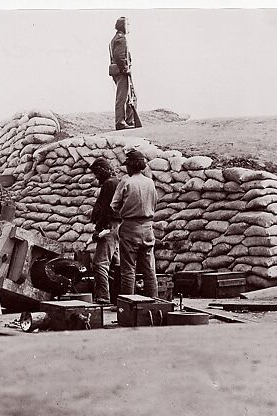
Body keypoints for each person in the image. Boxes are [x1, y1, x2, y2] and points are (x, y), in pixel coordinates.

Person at [110, 149, 158, 297]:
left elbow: (114, 205)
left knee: (128, 270)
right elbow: (155, 202)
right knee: (149, 269)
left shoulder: (126, 181)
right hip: (148, 227)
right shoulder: (150, 182)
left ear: (130, 166)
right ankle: (154, 302)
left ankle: (129, 305)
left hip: (130, 227)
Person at [88, 158, 121, 304]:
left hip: (109, 226)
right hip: (117, 226)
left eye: (97, 173)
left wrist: (99, 228)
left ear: (102, 170)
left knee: (99, 263)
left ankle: (103, 297)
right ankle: (116, 296)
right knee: (115, 263)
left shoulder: (109, 184)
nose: (96, 177)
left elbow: (106, 209)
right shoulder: (116, 182)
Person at [109, 17, 139, 130]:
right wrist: (125, 69)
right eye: (128, 24)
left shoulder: (115, 38)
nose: (129, 26)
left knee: (128, 96)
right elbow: (119, 56)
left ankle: (128, 121)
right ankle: (122, 123)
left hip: (118, 72)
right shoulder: (121, 39)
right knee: (123, 97)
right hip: (122, 72)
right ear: (123, 26)